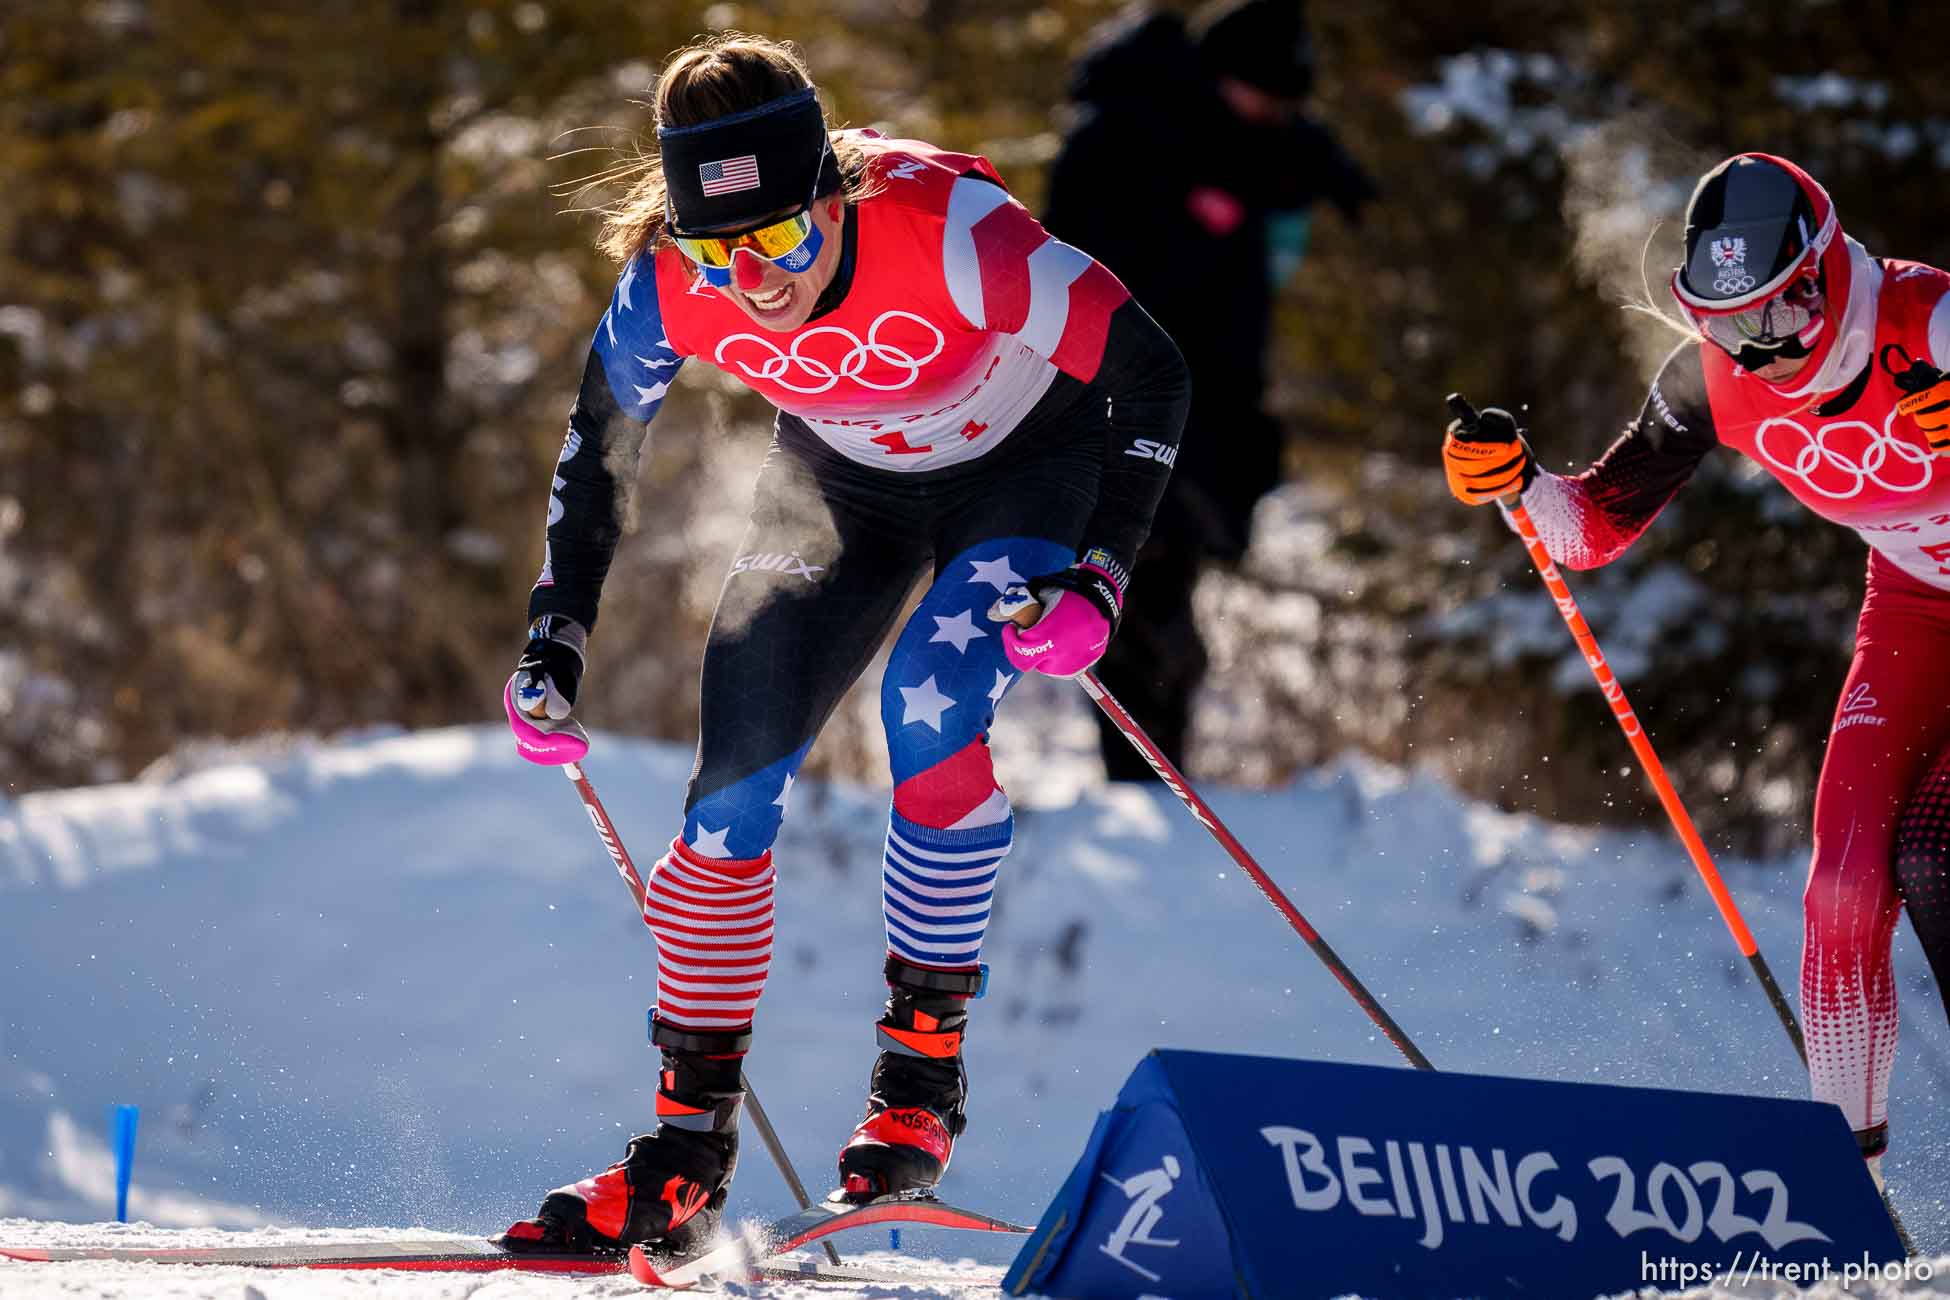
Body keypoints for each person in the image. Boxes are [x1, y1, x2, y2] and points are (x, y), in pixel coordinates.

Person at [496, 32, 1188, 1256]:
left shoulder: (954, 232)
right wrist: (554, 637)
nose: (752, 279)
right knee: (729, 792)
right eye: (720, 249)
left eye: (778, 238)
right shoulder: (669, 282)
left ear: (834, 193)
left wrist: (1101, 573)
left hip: (1028, 468)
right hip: (839, 487)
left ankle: (917, 1088)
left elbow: (1153, 371)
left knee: (926, 703)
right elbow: (596, 452)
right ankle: (682, 1155)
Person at [1442, 152, 1950, 1184]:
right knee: (1842, 885)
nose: (1753, 353)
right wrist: (1519, 483)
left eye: (1770, 320)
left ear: (1823, 273)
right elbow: (1590, 529)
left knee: (1938, 851)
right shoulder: (1711, 378)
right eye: (1724, 325)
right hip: (1915, 606)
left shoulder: (1931, 322)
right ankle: (1842, 1178)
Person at [1043, 0, 1374, 777]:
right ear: (1220, 79)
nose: (1273, 115)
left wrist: (1330, 174)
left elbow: (1288, 150)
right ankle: (1134, 781)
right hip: (1124, 403)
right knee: (1136, 589)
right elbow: (1069, 273)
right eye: (1264, 96)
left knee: (1167, 593)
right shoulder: (1124, 139)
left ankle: (1155, 775)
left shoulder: (1235, 139)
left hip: (1213, 404)